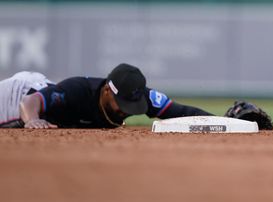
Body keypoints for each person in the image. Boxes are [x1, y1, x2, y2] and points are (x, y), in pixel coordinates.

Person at [0, 63, 213, 129]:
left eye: (132, 103)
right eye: (122, 102)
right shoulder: (78, 90)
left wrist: (231, 122)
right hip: (16, 95)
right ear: (107, 91)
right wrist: (33, 120)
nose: (125, 109)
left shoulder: (141, 96)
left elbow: (182, 112)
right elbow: (31, 101)